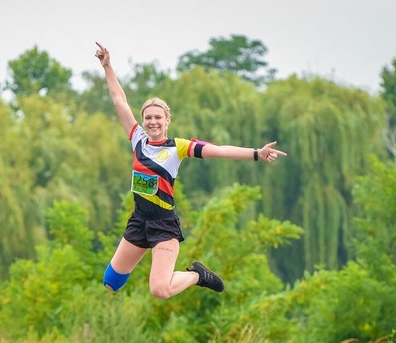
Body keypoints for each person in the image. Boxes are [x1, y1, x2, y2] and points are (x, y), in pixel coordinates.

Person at [95, 42, 287, 299]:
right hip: (139, 219)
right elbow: (119, 100)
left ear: (167, 121)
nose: (152, 122)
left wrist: (256, 153)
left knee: (160, 290)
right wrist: (107, 66)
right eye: (148, 117)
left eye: (158, 117)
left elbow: (219, 150)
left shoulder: (178, 147)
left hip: (163, 226)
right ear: (143, 120)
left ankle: (197, 275)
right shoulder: (137, 140)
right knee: (111, 283)